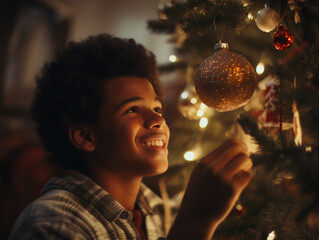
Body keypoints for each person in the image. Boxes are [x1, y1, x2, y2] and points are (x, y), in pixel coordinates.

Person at [9, 34, 253, 240]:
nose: (158, 120)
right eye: (132, 110)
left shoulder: (152, 208)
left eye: (157, 108)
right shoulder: (54, 224)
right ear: (85, 136)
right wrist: (196, 223)